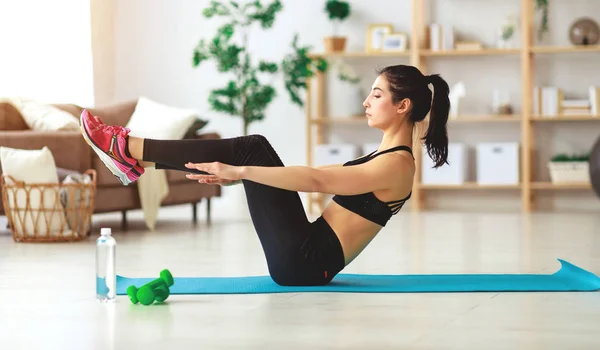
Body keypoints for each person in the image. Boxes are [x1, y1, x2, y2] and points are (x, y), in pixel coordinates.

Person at [80, 64, 450, 287]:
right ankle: (133, 156)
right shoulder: (386, 155)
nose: (366, 102)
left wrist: (242, 170)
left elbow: (317, 182)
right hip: (305, 253)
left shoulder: (396, 164)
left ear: (403, 106)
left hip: (305, 263)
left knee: (251, 148)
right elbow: (319, 173)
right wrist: (242, 177)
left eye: (377, 95)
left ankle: (129, 150)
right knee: (252, 149)